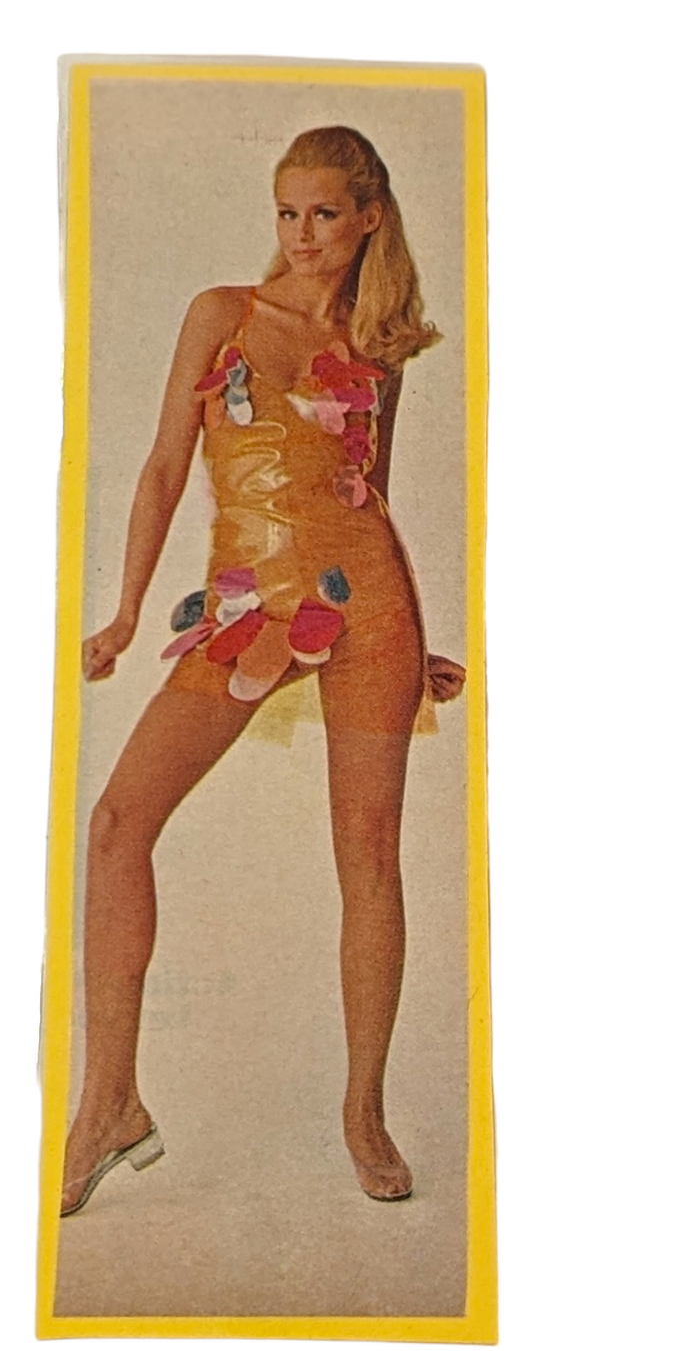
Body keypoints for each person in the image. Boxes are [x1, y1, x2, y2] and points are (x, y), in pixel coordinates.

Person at [61, 126, 465, 1217]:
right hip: (247, 611)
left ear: (368, 218)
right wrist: (126, 611)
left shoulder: (378, 346)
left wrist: (415, 632)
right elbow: (162, 465)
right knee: (116, 824)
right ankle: (107, 1103)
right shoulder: (222, 313)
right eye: (287, 212)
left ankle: (364, 1113)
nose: (301, 234)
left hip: (366, 610)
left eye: (324, 214)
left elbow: (368, 496)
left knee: (368, 856)